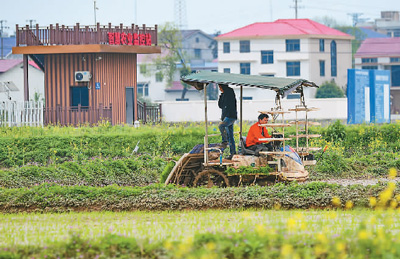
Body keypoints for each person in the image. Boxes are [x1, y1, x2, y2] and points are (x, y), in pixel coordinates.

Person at [218, 84, 237, 159]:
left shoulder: (229, 92)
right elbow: (220, 105)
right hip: (227, 116)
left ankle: (224, 141)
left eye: (220, 87)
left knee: (221, 126)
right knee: (231, 136)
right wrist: (221, 95)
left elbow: (228, 104)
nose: (219, 89)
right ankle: (233, 153)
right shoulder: (224, 94)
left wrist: (223, 94)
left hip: (230, 116)